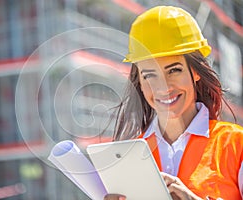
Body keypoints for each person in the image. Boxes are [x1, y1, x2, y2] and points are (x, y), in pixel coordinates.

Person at [104, 6, 243, 200]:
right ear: (140, 84)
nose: (163, 87)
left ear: (195, 72)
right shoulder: (130, 158)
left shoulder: (235, 145)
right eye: (150, 75)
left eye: (174, 70)